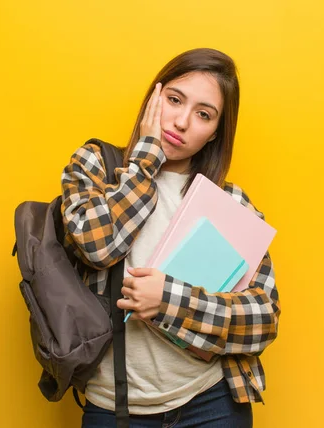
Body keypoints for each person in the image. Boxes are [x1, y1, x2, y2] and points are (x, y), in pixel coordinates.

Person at [61, 48, 280, 427]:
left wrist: (168, 301)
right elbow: (97, 246)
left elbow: (262, 319)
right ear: (153, 97)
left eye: (203, 114)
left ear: (215, 133)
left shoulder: (230, 203)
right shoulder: (98, 166)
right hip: (116, 408)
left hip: (212, 404)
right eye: (174, 100)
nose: (180, 122)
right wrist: (145, 160)